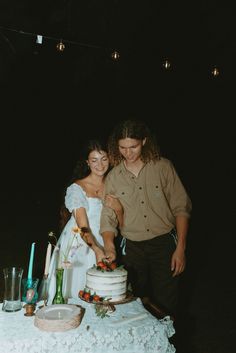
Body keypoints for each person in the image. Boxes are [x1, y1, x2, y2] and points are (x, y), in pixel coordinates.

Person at [100, 119, 192, 317]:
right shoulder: (114, 177)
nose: (128, 153)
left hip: (164, 244)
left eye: (133, 146)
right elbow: (108, 217)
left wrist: (181, 248)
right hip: (132, 247)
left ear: (144, 141)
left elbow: (181, 207)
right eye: (122, 148)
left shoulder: (163, 167)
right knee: (134, 303)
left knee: (167, 303)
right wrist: (109, 244)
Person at [47, 139, 123, 304]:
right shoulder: (77, 188)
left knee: (103, 292)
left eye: (104, 159)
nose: (100, 164)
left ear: (110, 159)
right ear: (87, 162)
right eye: (94, 160)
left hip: (105, 238)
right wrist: (96, 248)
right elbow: (83, 227)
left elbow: (119, 222)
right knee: (76, 290)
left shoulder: (114, 185)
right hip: (80, 242)